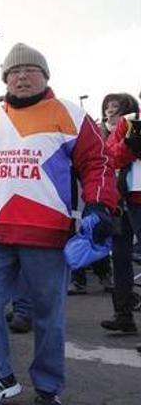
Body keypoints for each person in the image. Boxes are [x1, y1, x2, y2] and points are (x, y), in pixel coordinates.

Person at [0, 43, 118, 405]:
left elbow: (98, 162)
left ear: (45, 76)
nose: (22, 76)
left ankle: (47, 387)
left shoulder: (69, 113)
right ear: (5, 78)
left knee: (48, 315)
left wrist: (100, 205)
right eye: (14, 71)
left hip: (47, 233)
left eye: (30, 70)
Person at [99, 92, 140, 335]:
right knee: (121, 257)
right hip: (124, 197)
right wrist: (130, 144)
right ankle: (123, 315)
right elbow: (110, 155)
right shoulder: (130, 122)